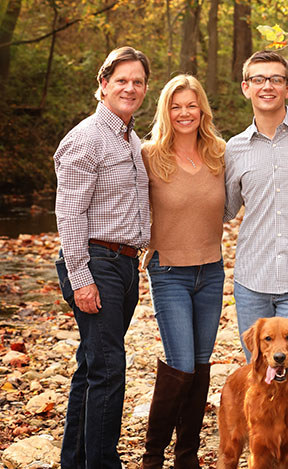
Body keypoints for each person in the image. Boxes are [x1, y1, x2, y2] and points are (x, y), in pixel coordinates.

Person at [54, 46, 151, 469]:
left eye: (138, 81)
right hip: (96, 263)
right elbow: (69, 212)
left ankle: (75, 461)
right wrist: (81, 277)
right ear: (103, 84)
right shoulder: (86, 138)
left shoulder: (130, 138)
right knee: (109, 370)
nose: (130, 88)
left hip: (124, 264)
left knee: (92, 366)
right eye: (122, 80)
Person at [140, 74, 225, 469]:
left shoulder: (220, 154)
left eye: (191, 105)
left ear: (202, 109)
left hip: (211, 271)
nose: (184, 113)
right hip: (168, 271)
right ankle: (153, 455)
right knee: (181, 364)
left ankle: (186, 456)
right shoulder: (148, 155)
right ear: (165, 110)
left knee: (202, 363)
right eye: (176, 106)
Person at [224, 50, 288, 380]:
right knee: (261, 374)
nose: (267, 86)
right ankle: (262, 434)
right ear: (246, 87)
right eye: (258, 79)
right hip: (252, 278)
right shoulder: (233, 149)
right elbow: (224, 209)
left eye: (276, 79)